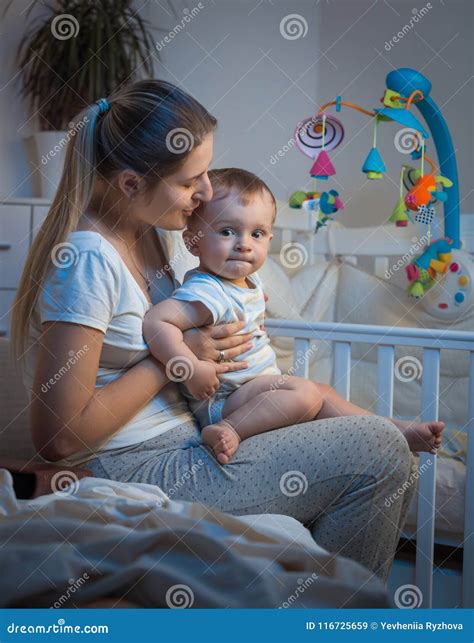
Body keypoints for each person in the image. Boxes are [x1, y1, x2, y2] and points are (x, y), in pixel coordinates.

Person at [11, 79, 418, 583]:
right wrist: (172, 361)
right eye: (190, 181)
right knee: (377, 449)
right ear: (132, 184)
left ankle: (323, 603)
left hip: (189, 439)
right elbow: (56, 437)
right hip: (138, 467)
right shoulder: (91, 260)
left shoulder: (145, 238)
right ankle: (339, 616)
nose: (205, 192)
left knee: (345, 423)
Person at [143, 167, 444, 464]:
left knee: (322, 393)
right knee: (306, 395)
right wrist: (189, 367)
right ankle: (228, 430)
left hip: (256, 389)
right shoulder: (207, 292)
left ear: (269, 240)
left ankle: (393, 429)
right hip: (224, 400)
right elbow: (157, 322)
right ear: (192, 241)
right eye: (226, 231)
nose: (244, 243)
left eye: (256, 233)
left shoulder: (244, 283)